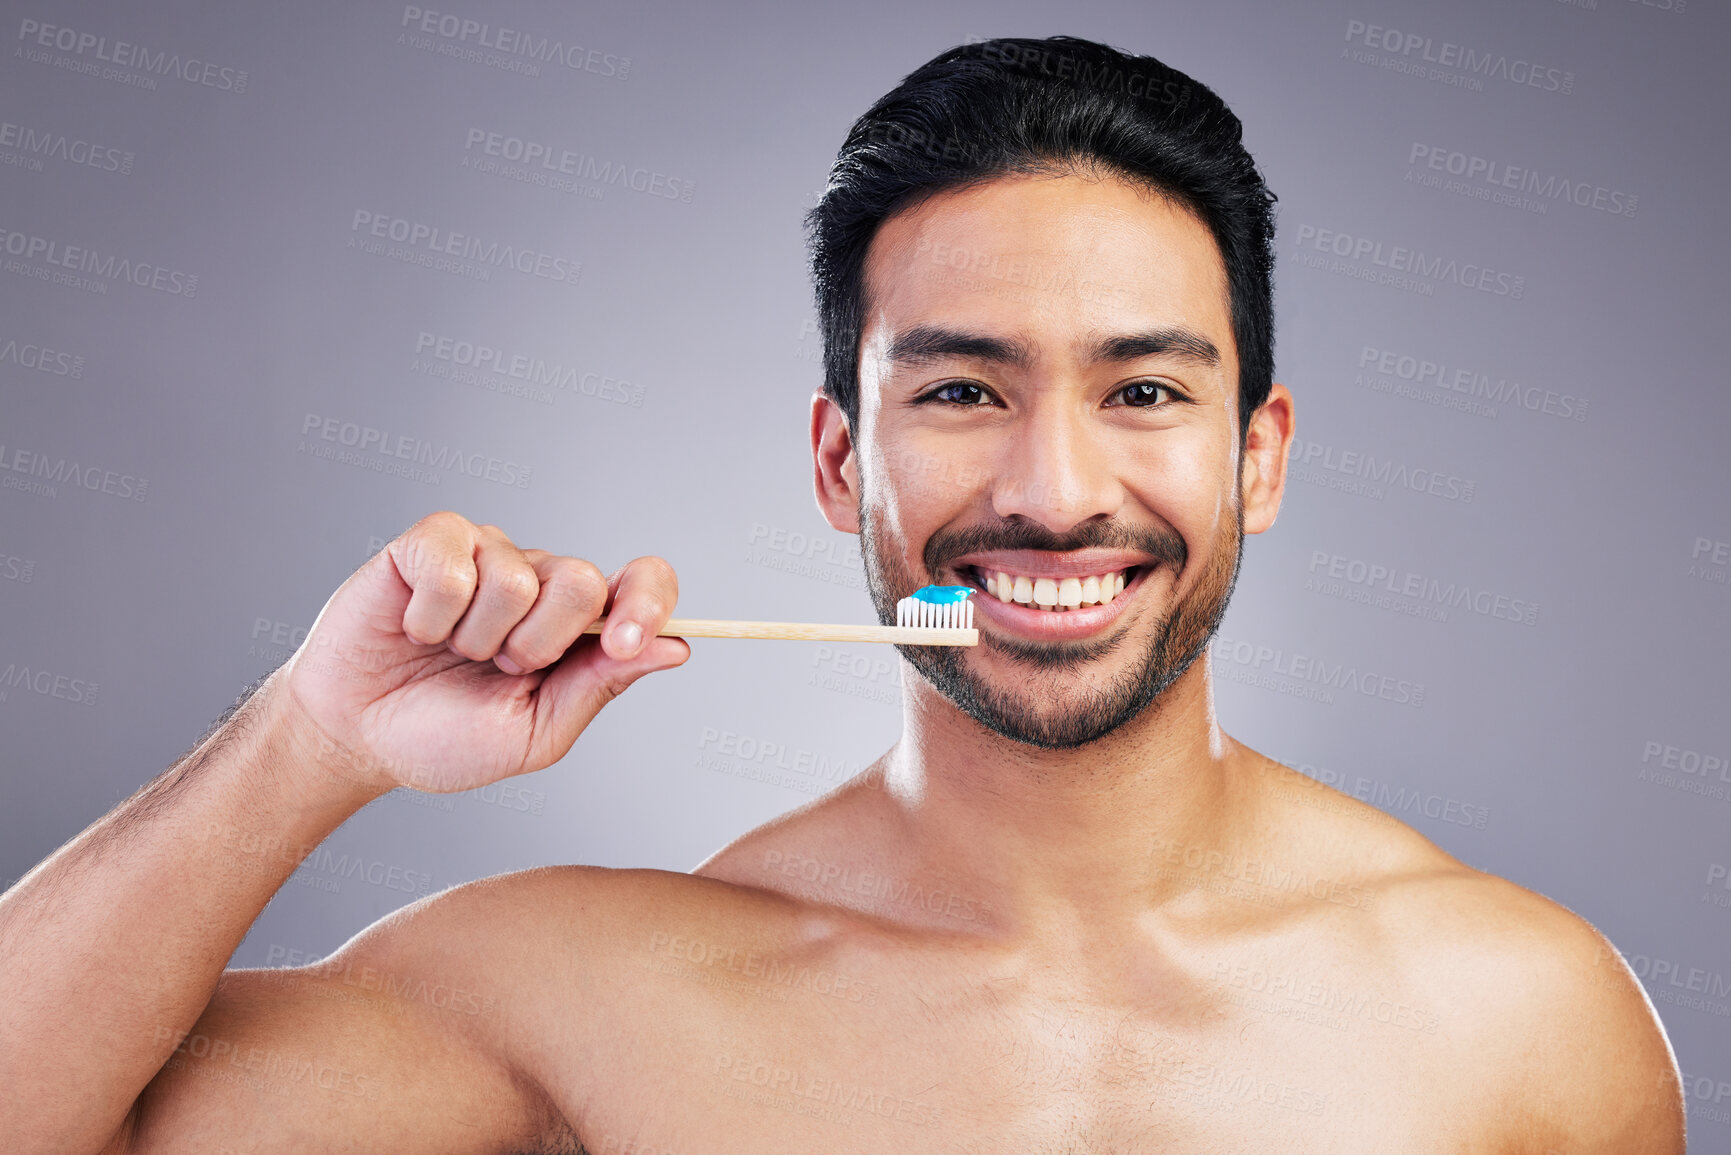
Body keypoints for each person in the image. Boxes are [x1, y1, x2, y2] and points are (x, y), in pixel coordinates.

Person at [0, 35, 1685, 1154]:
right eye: (960, 392)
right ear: (835, 463)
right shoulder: (594, 1002)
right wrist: (312, 738)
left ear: (1261, 455)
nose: (1054, 489)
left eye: (1146, 394)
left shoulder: (1522, 1018)